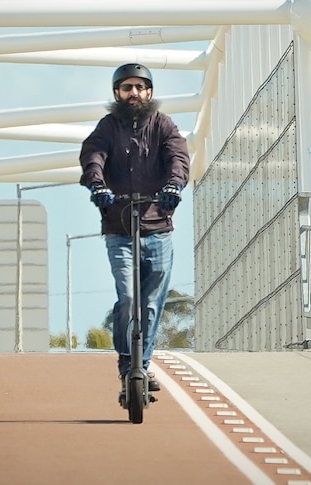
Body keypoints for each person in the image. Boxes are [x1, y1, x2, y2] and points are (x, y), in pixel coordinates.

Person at [79, 63, 190, 394]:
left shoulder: (163, 125)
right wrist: (97, 186)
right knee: (128, 297)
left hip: (158, 225)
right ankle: (127, 362)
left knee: (153, 302)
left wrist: (173, 187)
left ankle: (143, 364)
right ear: (117, 93)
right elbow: (92, 156)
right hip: (119, 225)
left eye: (140, 88)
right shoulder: (108, 126)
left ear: (149, 92)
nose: (134, 94)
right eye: (127, 88)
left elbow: (178, 158)